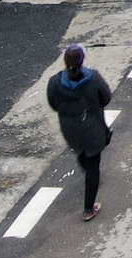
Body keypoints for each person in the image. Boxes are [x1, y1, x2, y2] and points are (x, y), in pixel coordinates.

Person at [45, 43, 114, 221]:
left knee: (82, 154)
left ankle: (90, 177)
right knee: (93, 165)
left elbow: (53, 104)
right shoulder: (93, 78)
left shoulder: (54, 82)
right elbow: (106, 97)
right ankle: (88, 209)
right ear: (83, 60)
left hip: (70, 130)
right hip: (92, 128)